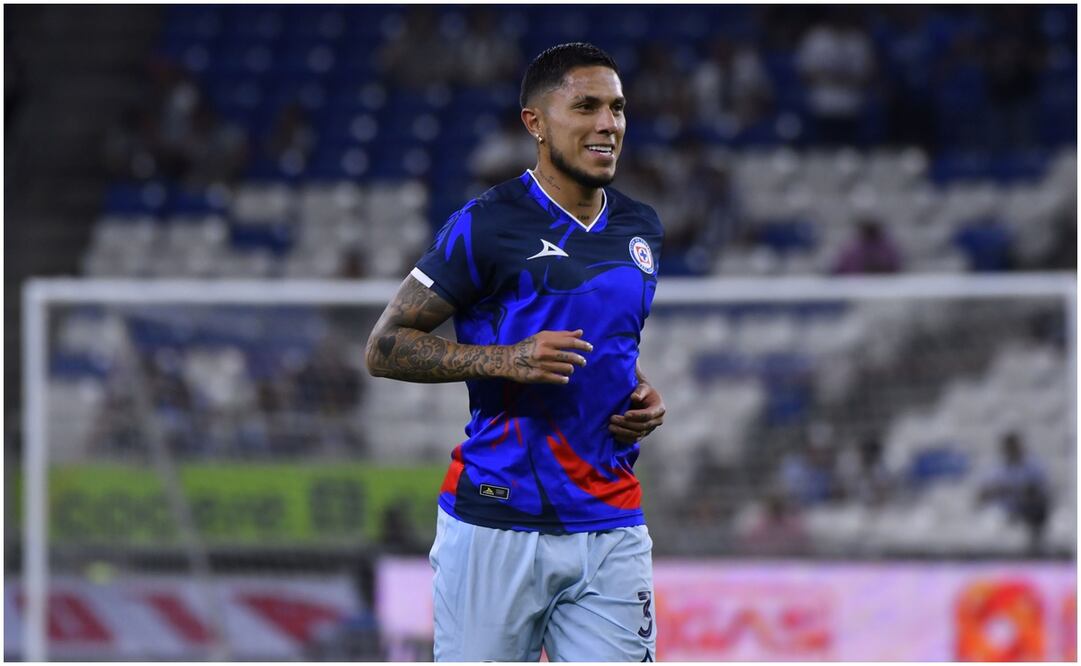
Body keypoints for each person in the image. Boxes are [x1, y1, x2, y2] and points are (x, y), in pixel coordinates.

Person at [365, 43, 666, 662]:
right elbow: (386, 346)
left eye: (616, 108)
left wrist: (640, 391)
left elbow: (607, 341)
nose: (608, 123)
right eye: (585, 106)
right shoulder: (486, 223)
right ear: (535, 122)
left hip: (609, 520)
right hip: (496, 519)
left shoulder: (641, 228)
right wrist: (506, 360)